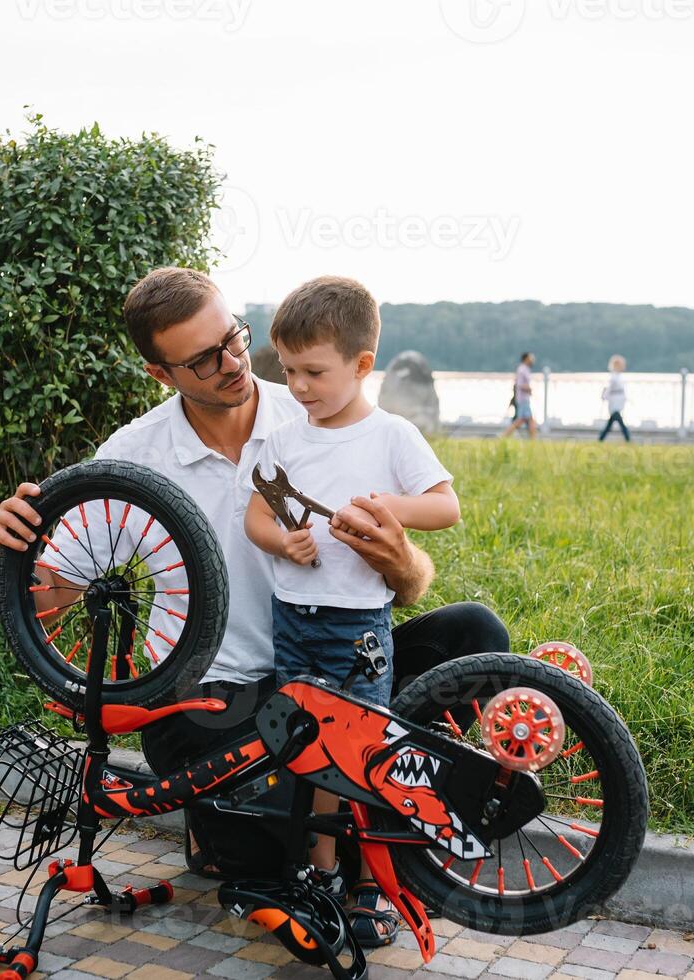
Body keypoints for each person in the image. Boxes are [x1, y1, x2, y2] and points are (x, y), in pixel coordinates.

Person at [0, 267, 511, 945]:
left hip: (332, 665)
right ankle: (317, 838)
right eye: (203, 359)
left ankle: (354, 866)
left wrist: (401, 559)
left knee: (475, 636)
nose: (232, 364)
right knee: (271, 836)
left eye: (233, 339)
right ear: (159, 373)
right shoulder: (135, 455)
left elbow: (409, 589)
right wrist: (8, 546)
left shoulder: (318, 406)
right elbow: (48, 590)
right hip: (211, 702)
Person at [243, 276, 460, 897]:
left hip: (357, 625)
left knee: (363, 748)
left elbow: (445, 507)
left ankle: (372, 878)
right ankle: (322, 870)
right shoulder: (283, 440)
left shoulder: (391, 436)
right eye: (288, 372)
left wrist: (386, 506)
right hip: (294, 619)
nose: (299, 388)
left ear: (362, 365)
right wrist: (283, 541)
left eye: (314, 372)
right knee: (305, 748)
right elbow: (258, 513)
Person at [500, 351, 537, 438]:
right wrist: (528, 389)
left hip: (525, 398)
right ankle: (504, 436)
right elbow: (519, 384)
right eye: (530, 358)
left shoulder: (526, 369)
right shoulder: (521, 370)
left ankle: (532, 440)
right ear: (525, 359)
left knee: (525, 420)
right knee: (522, 420)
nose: (532, 359)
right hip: (522, 399)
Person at [599, 354, 630, 442]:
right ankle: (628, 438)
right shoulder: (614, 377)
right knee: (618, 421)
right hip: (614, 402)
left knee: (612, 422)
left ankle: (601, 438)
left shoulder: (618, 376)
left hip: (618, 401)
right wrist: (604, 397)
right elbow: (610, 389)